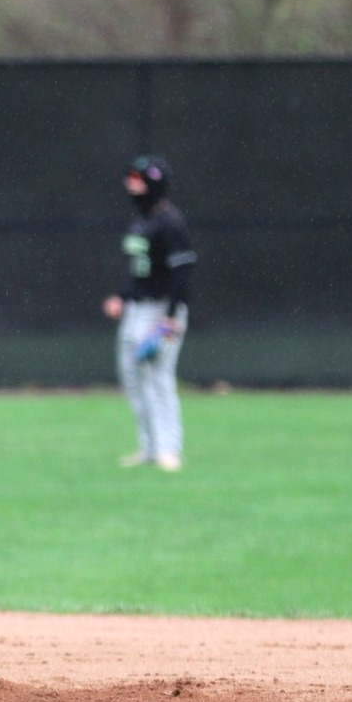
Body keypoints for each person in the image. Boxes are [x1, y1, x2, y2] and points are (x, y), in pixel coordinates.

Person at [102, 154, 197, 472]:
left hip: (162, 311)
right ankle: (149, 447)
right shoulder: (143, 220)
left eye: (138, 178)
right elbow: (141, 272)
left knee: (158, 377)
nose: (130, 182)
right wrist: (122, 296)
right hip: (137, 309)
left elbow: (182, 272)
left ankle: (169, 450)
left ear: (154, 184)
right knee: (133, 377)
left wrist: (170, 316)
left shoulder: (171, 222)